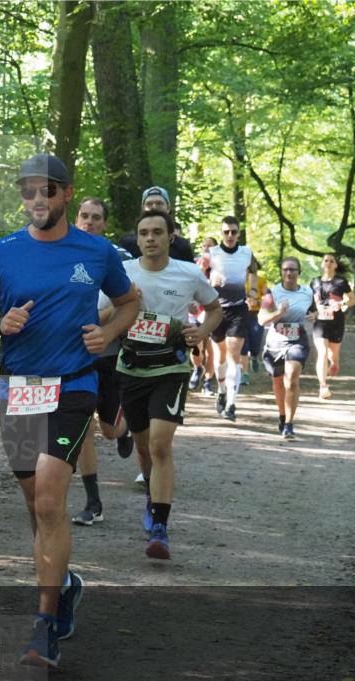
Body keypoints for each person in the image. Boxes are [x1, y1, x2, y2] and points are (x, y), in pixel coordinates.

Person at [0, 155, 140, 667]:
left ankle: (43, 626)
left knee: (46, 501)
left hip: (74, 385)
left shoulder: (96, 250)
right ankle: (63, 586)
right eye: (28, 192)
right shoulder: (1, 253)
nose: (37, 200)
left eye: (48, 190)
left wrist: (108, 332)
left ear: (65, 194)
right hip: (18, 388)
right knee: (36, 505)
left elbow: (129, 300)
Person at [117, 210, 221, 559]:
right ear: (138, 237)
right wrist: (127, 300)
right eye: (144, 232)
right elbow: (101, 316)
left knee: (161, 446)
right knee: (144, 447)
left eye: (157, 232)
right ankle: (152, 495)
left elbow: (215, 309)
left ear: (170, 237)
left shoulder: (189, 273)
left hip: (170, 367)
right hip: (131, 367)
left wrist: (202, 331)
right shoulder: (123, 274)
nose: (150, 238)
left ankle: (159, 529)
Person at [72, 197, 136, 526]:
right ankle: (93, 501)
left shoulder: (117, 256)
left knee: (108, 430)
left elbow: (127, 298)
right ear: (75, 218)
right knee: (83, 428)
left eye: (96, 217)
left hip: (108, 351)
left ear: (104, 224)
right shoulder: (61, 251)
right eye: (84, 216)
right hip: (74, 354)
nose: (89, 222)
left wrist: (101, 324)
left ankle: (124, 431)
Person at [258, 256, 314, 440]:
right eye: (286, 270)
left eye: (293, 269)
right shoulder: (271, 293)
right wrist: (278, 313)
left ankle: (289, 424)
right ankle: (282, 416)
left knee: (291, 379)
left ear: (299, 272)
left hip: (298, 339)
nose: (289, 273)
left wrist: (315, 315)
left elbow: (315, 312)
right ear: (281, 272)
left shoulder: (307, 292)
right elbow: (261, 319)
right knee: (278, 381)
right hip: (275, 341)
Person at [207, 216, 255, 422]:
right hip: (217, 309)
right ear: (221, 233)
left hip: (238, 309)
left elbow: (253, 272)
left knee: (234, 355)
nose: (230, 236)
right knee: (220, 358)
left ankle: (231, 404)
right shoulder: (212, 253)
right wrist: (211, 280)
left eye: (233, 232)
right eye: (226, 232)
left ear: (238, 233)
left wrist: (252, 291)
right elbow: (199, 275)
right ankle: (221, 389)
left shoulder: (246, 253)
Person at [310, 253, 355, 399]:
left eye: (332, 261)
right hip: (320, 323)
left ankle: (334, 361)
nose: (329, 263)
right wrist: (310, 313)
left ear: (336, 265)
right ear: (322, 264)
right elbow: (309, 301)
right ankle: (323, 386)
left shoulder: (341, 282)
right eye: (326, 260)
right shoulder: (314, 282)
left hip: (336, 322)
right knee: (322, 352)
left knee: (333, 354)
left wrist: (341, 303)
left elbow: (353, 300)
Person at [118, 187, 195, 262]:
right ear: (142, 208)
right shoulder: (128, 243)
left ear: (168, 208)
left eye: (159, 203)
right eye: (149, 204)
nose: (154, 207)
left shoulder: (181, 246)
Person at [190, 236, 218, 393]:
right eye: (204, 246)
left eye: (210, 246)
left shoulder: (220, 268)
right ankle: (197, 367)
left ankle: (208, 382)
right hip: (195, 312)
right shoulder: (194, 265)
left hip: (212, 312)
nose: (206, 249)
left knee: (211, 349)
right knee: (195, 346)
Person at [239, 258, 268, 387]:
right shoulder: (238, 280)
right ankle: (244, 373)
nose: (250, 268)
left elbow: (268, 300)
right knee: (243, 345)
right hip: (241, 315)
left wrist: (258, 301)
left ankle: (255, 356)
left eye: (253, 265)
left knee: (255, 344)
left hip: (256, 315)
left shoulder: (261, 281)